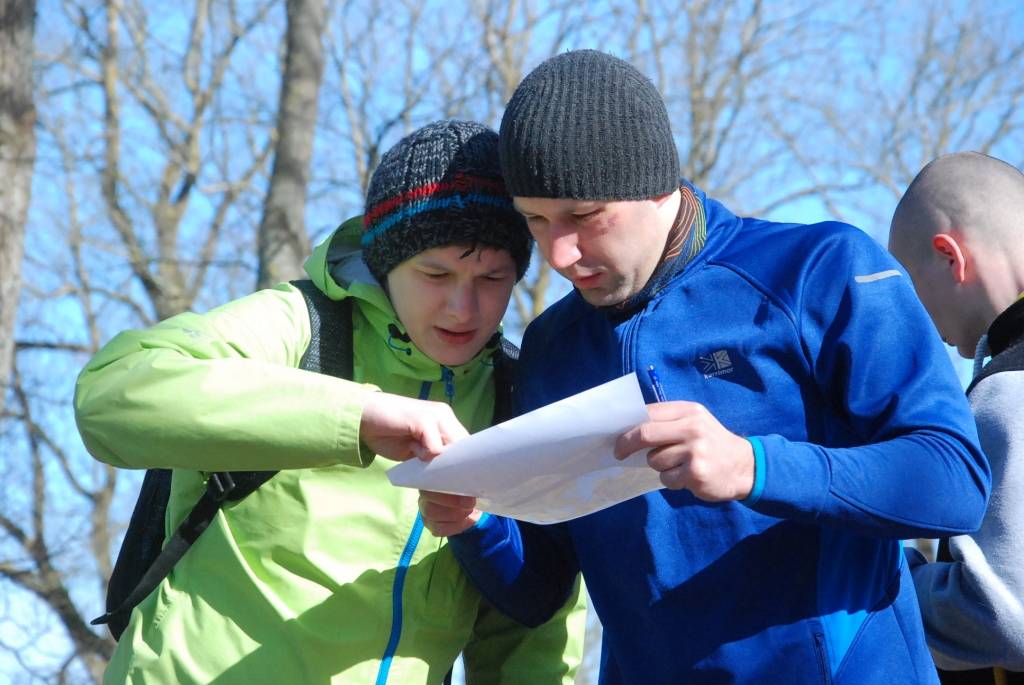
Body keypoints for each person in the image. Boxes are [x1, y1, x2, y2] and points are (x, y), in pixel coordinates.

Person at [417, 50, 991, 684]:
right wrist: (478, 526)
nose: (560, 253)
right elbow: (542, 590)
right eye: (536, 221)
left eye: (584, 216)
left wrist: (755, 466)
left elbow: (954, 482)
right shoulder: (553, 345)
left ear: (656, 185)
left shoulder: (817, 269)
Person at [74, 120, 584, 684]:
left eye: (493, 278)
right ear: (386, 261)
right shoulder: (303, 328)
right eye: (435, 273)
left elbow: (534, 630)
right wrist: (356, 417)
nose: (462, 308)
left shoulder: (514, 396)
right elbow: (111, 393)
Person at [888, 151, 1024, 685]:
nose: (920, 325)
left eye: (911, 295)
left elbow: (1005, 614)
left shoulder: (1008, 388)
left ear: (950, 257)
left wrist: (886, 576)